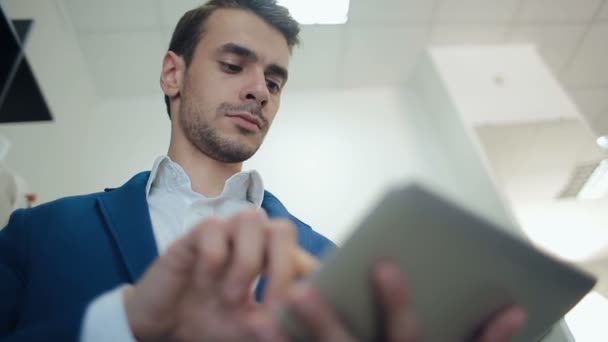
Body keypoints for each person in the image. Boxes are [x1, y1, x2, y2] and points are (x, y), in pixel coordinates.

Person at [0, 0, 527, 341]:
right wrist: (118, 327)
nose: (259, 90)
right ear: (172, 73)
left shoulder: (329, 265)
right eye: (233, 66)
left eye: (275, 83)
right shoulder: (38, 233)